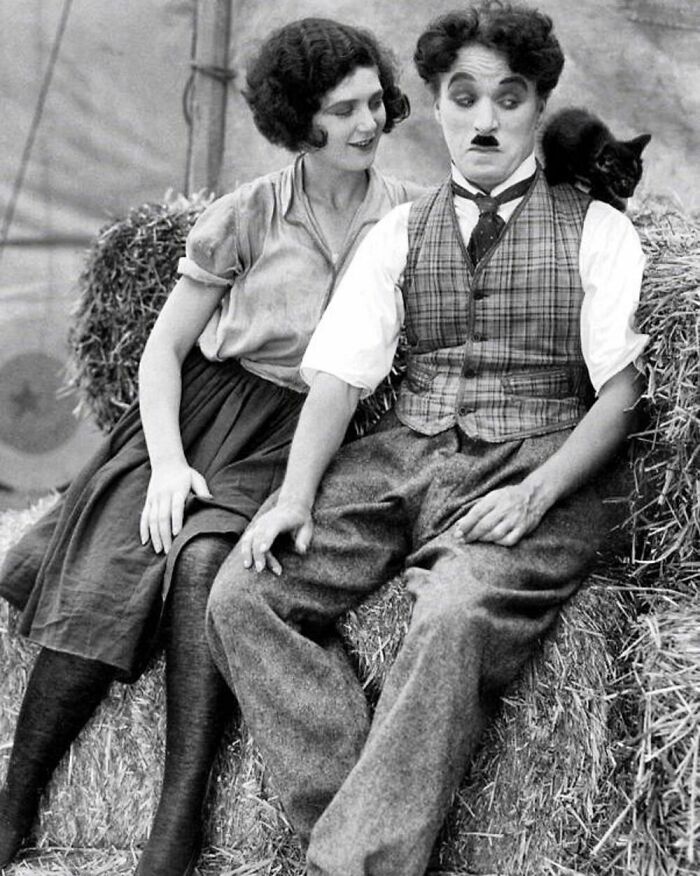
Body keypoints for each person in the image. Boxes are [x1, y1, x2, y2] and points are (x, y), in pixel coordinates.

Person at [205, 3, 650, 875]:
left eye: (510, 98)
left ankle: (351, 864)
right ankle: (358, 834)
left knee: (449, 618)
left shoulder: (601, 230)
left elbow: (624, 391)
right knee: (242, 597)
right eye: (464, 96)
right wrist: (295, 496)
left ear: (539, 104)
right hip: (404, 453)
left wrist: (538, 492)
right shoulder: (400, 232)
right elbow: (338, 374)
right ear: (439, 106)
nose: (486, 120)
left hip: (539, 460)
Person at [0, 17, 421, 876]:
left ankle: (178, 816)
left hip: (302, 428)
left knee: (205, 565)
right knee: (117, 560)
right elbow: (162, 349)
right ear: (300, 119)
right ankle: (13, 804)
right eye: (343, 111)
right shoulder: (248, 213)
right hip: (198, 413)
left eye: (376, 101)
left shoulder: (408, 218)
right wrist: (164, 465)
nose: (369, 123)